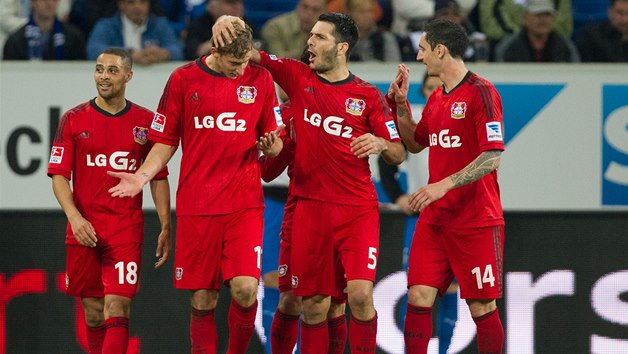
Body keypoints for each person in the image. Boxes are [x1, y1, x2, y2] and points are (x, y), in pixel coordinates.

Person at [213, 12, 405, 353]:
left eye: (319, 37)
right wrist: (229, 22)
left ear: (342, 47)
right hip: (308, 208)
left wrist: (379, 143)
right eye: (310, 36)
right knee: (313, 304)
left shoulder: (367, 96)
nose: (310, 42)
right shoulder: (297, 77)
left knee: (358, 296)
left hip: (357, 210)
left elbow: (398, 153)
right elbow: (252, 53)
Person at [107, 21, 284, 353]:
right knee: (204, 297)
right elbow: (164, 140)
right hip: (197, 205)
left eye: (246, 61)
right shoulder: (184, 79)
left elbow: (275, 140)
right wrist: (142, 176)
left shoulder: (261, 79)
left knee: (246, 289)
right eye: (235, 63)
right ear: (214, 52)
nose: (242, 69)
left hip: (244, 204)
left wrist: (273, 148)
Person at [387, 18, 505, 353]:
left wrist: (444, 185)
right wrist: (400, 106)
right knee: (417, 297)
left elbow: (492, 156)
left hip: (476, 220)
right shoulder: (437, 97)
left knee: (481, 307)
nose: (420, 57)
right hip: (435, 220)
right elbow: (415, 143)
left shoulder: (482, 92)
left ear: (440, 50)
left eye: (423, 50)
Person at [47, 47, 171, 354]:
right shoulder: (73, 119)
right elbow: (59, 175)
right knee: (92, 310)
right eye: (99, 69)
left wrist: (166, 223)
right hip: (85, 229)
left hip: (124, 230)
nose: (104, 76)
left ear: (128, 76)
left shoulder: (146, 122)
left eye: (112, 70)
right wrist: (75, 218)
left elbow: (158, 176)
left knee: (117, 306)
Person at [260, 100, 349, 354]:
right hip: (274, 200)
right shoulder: (262, 101)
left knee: (328, 297)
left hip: (319, 202)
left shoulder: (322, 101)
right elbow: (259, 164)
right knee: (277, 284)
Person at [379, 72, 459, 354]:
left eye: (440, 85)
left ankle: (446, 350)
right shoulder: (413, 123)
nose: (435, 90)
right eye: (429, 86)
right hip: (421, 217)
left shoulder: (462, 120)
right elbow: (388, 159)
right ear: (423, 91)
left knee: (450, 289)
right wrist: (397, 196)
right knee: (416, 292)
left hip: (455, 218)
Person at [87, 0, 183, 65]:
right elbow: (93, 50)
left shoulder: (161, 25)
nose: (137, 7)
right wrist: (128, 54)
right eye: (131, 2)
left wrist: (164, 54)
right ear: (121, 5)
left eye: (142, 2)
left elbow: (178, 50)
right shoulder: (106, 25)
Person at [494, 0, 580, 62]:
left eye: (547, 15)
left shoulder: (567, 48)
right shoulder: (507, 47)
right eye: (537, 14)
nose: (543, 20)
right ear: (525, 18)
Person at [3, 0, 85, 60]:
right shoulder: (16, 41)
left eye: (54, 0)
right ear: (33, 3)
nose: (49, 3)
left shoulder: (74, 38)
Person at [184, 0, 259, 61]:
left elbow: (259, 45)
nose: (237, 7)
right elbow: (192, 53)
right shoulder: (198, 25)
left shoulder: (246, 23)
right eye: (230, 3)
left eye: (240, 3)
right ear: (213, 6)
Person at [261, 0, 328, 60]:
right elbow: (278, 59)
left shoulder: (329, 30)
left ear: (324, 12)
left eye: (315, 10)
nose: (309, 13)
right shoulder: (274, 27)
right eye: (305, 7)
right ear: (298, 6)